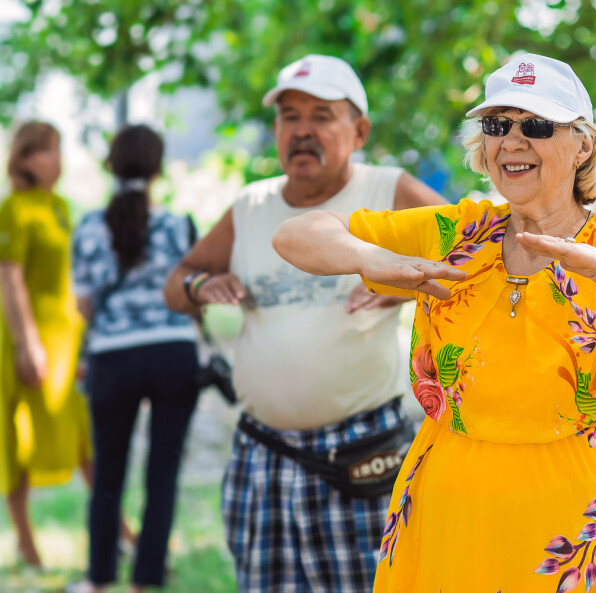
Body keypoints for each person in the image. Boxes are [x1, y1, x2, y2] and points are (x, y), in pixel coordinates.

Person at [271, 53, 596, 593]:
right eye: (498, 125)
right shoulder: (458, 232)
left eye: (537, 125)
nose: (513, 141)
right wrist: (367, 259)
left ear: (583, 145)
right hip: (443, 501)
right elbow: (297, 235)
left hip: (563, 518)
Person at [163, 54, 445, 592]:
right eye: (289, 116)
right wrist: (202, 286)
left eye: (321, 115)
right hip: (262, 456)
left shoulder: (391, 193)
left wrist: (400, 285)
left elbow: (469, 262)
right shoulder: (251, 205)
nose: (302, 131)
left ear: (359, 131)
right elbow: (177, 283)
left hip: (364, 455)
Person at [67, 125, 200, 592]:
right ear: (159, 169)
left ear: (110, 166)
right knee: (162, 475)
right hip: (174, 354)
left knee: (109, 473)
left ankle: (100, 580)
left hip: (112, 359)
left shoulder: (87, 227)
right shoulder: (180, 225)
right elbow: (194, 298)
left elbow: (83, 306)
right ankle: (146, 582)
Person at [0, 121, 92, 568]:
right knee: (15, 436)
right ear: (26, 158)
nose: (59, 159)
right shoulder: (14, 209)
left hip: (64, 342)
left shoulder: (59, 207)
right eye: (50, 150)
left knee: (84, 434)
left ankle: (120, 527)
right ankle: (24, 538)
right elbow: (9, 275)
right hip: (24, 341)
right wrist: (26, 344)